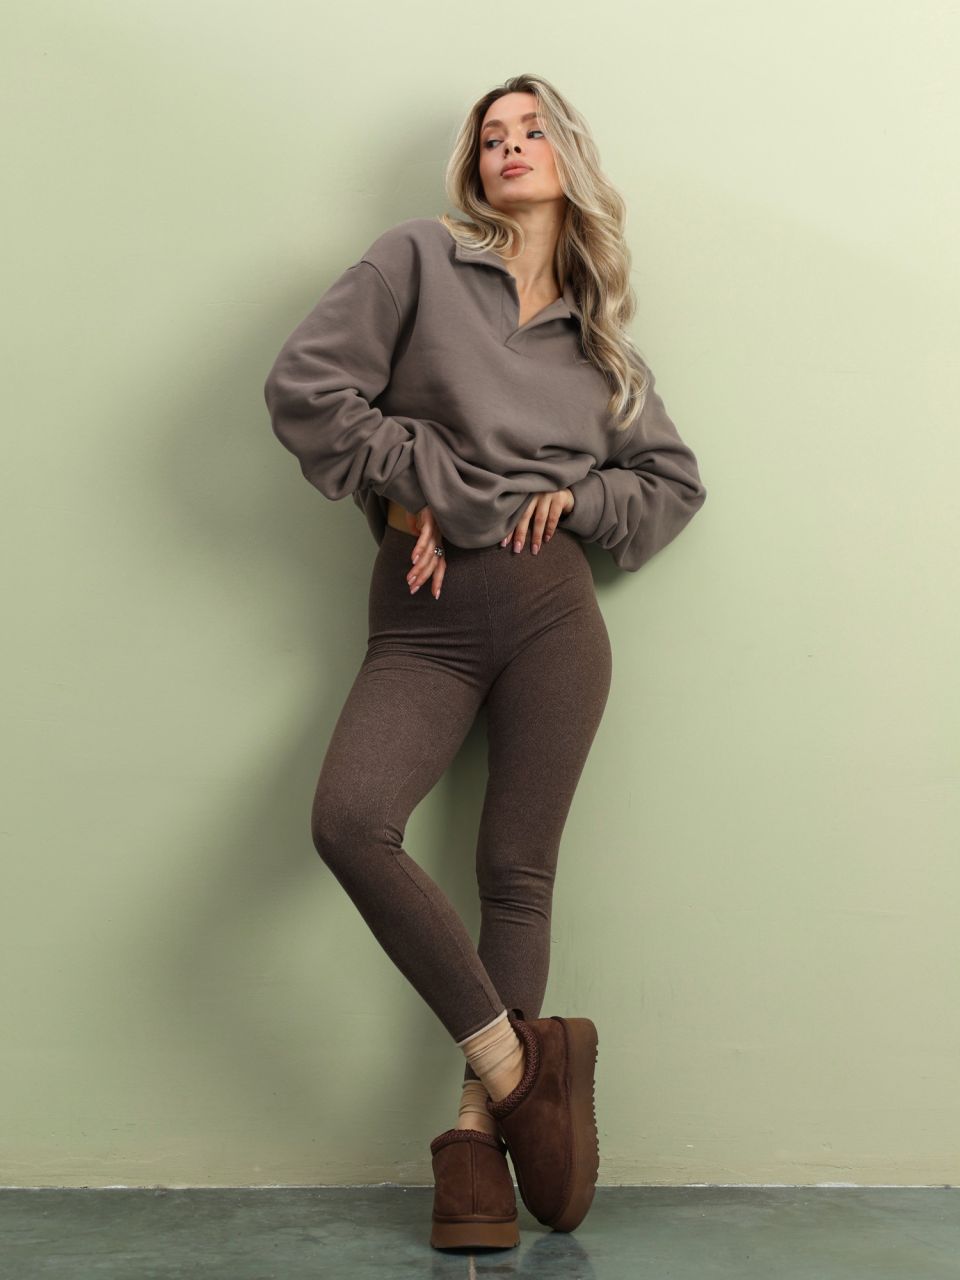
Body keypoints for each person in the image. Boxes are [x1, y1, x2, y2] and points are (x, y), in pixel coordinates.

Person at [262, 72, 707, 1250]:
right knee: (350, 819)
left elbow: (671, 487)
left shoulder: (601, 348)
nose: (510, 145)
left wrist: (577, 498)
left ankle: (472, 1142)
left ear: (567, 156)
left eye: (531, 130)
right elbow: (306, 389)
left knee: (517, 874)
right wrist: (425, 480)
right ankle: (518, 1069)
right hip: (425, 615)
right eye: (491, 135)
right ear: (474, 165)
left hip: (555, 617)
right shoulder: (415, 258)